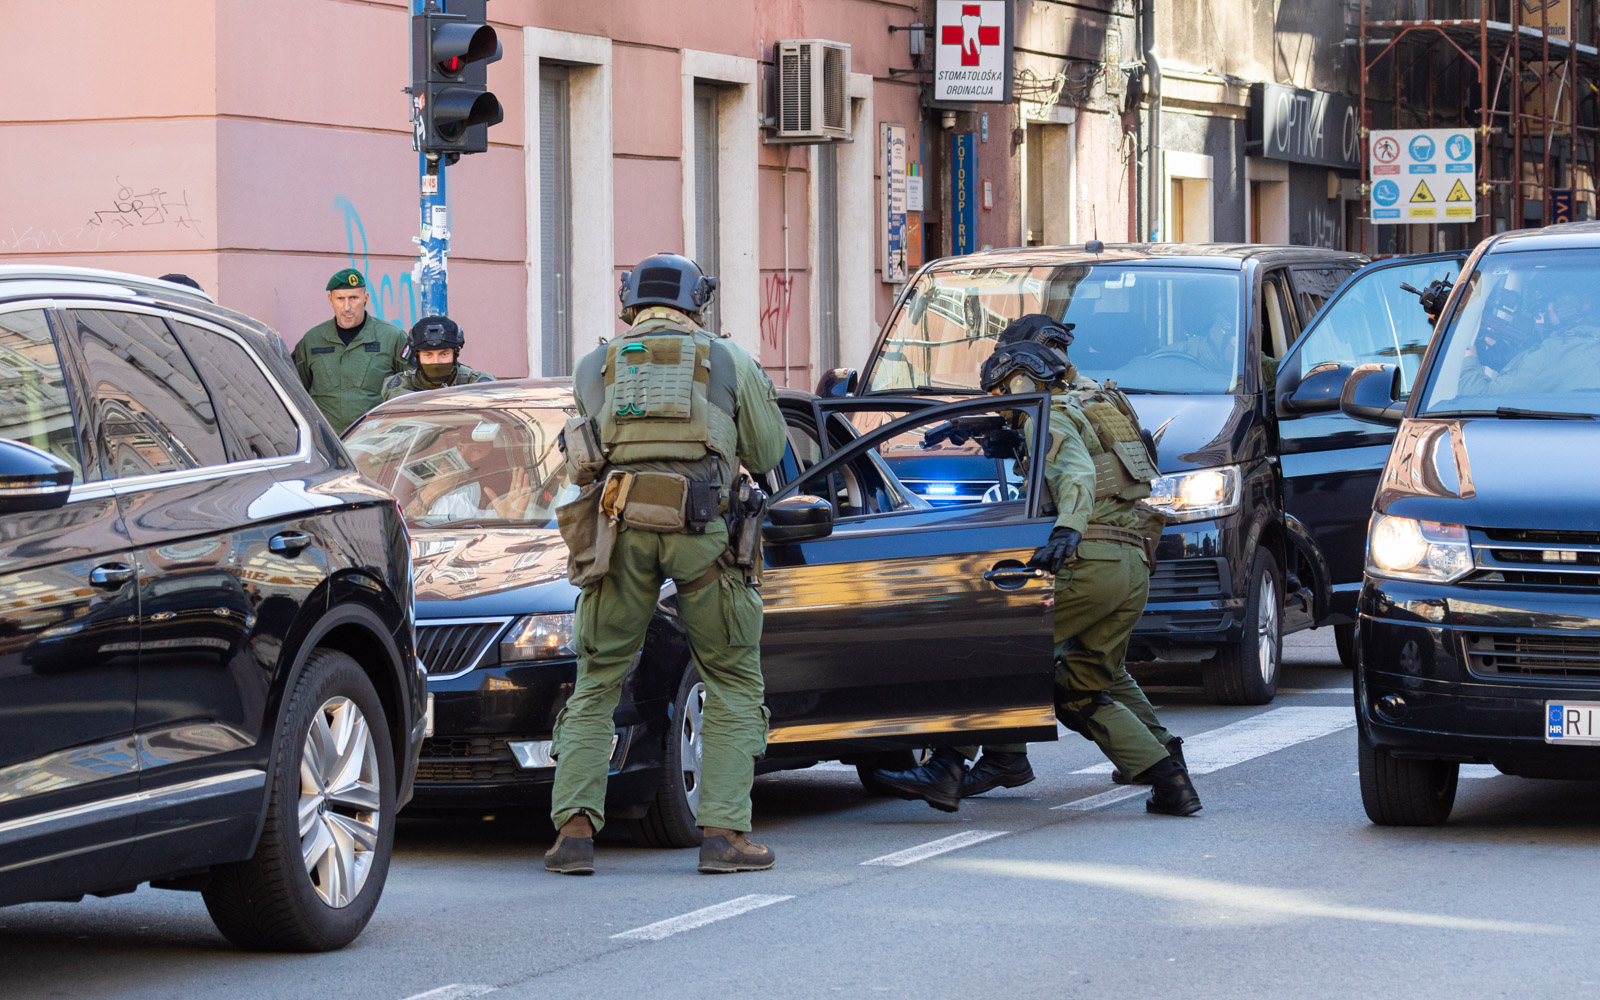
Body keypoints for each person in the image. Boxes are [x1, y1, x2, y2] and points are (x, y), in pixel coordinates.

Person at [873, 314, 1201, 817]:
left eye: (1002, 387)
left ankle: (947, 766)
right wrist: (1005, 432)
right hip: (1131, 560)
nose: (1002, 398)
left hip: (1089, 557)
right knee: (1085, 684)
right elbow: (1101, 458)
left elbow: (1076, 471)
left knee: (998, 653)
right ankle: (1166, 772)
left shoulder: (1051, 411)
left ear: (1022, 368)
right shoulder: (1099, 397)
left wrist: (1068, 528)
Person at [544, 253, 787, 875]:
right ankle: (724, 836)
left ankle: (573, 834)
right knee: (731, 681)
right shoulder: (729, 360)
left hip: (620, 533)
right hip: (703, 537)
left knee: (597, 680)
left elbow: (588, 452)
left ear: (630, 302)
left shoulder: (595, 365)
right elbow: (767, 452)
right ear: (696, 301)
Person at [291, 268, 409, 433]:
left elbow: (412, 387)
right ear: (331, 300)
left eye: (353, 298)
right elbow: (294, 389)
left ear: (365, 298)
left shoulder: (392, 337)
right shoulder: (312, 340)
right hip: (327, 440)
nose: (347, 307)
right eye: (340, 299)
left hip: (377, 439)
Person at [1459, 287, 1600, 396]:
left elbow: (1479, 395)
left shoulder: (1552, 353)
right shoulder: (1587, 343)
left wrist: (1467, 352)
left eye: (1546, 312)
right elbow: (1536, 374)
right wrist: (1499, 353)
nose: (1541, 316)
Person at [381, 315, 495, 401]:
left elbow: (489, 391)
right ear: (417, 356)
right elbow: (394, 395)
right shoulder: (400, 383)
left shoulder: (475, 381)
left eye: (444, 354)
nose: (436, 362)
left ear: (455, 353)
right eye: (428, 355)